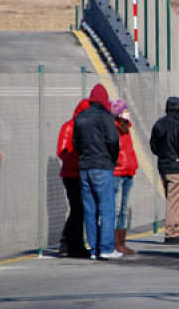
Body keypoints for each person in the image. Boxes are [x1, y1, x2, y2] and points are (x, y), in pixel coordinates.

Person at [73, 84, 121, 260]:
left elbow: (76, 143)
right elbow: (113, 140)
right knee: (107, 208)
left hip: (85, 166)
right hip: (102, 165)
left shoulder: (81, 117)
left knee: (89, 209)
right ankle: (107, 248)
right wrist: (112, 158)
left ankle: (93, 249)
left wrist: (84, 155)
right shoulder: (105, 117)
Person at [150, 96, 179, 245]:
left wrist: (162, 155)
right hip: (177, 166)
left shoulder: (159, 124)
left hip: (163, 165)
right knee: (174, 201)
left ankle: (178, 229)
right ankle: (171, 232)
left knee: (173, 199)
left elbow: (153, 146)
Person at [56, 97, 91, 258]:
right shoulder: (70, 127)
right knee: (78, 209)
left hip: (77, 172)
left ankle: (70, 243)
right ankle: (70, 243)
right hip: (72, 173)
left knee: (79, 210)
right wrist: (80, 160)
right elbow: (62, 151)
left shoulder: (77, 126)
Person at [111, 99, 138, 254]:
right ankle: (115, 241)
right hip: (118, 171)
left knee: (124, 208)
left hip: (128, 171)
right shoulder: (114, 128)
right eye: (125, 110)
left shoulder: (126, 127)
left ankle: (121, 241)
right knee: (116, 208)